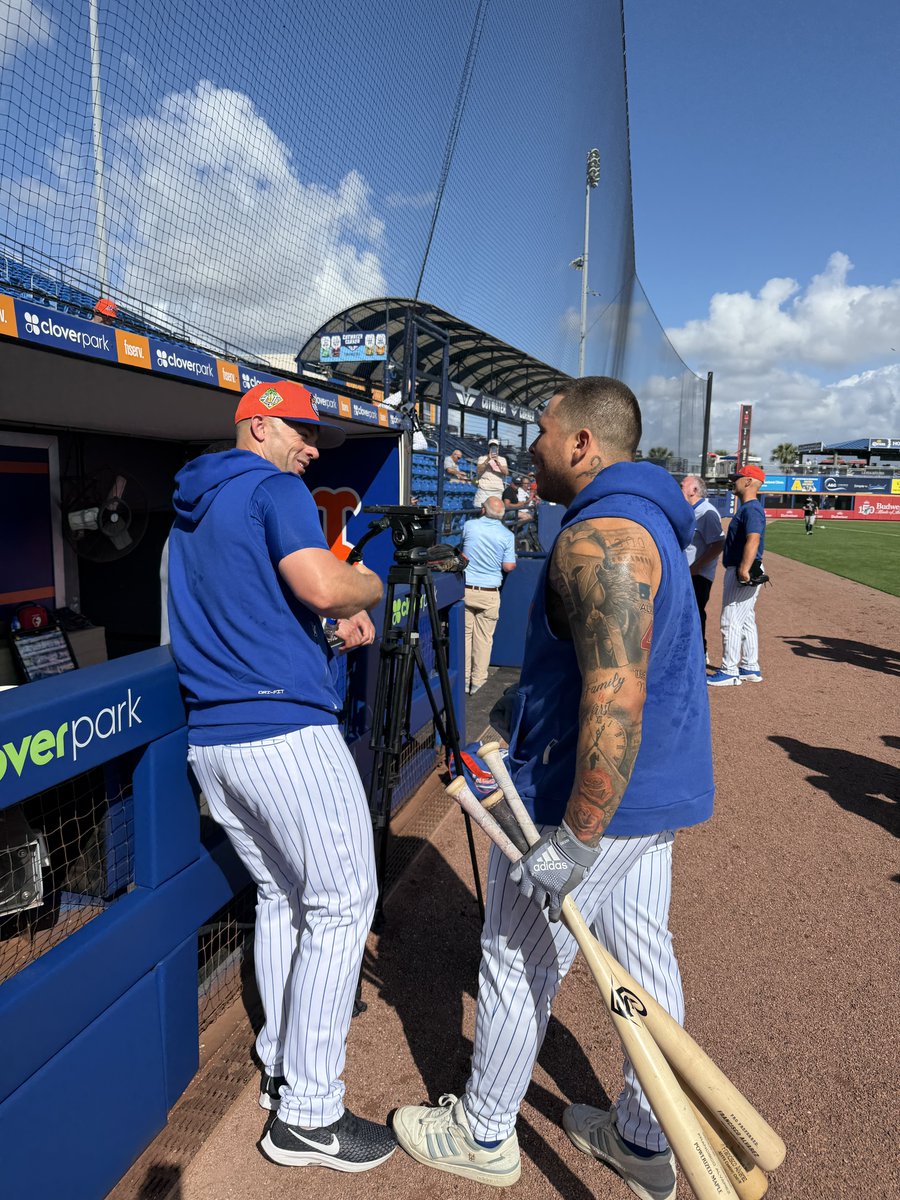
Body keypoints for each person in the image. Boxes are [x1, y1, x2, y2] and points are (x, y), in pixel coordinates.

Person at [392, 376, 713, 1200]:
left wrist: (575, 832)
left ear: (582, 444)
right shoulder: (647, 521)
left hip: (591, 802)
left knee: (512, 953)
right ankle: (645, 1139)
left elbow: (615, 690)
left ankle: (484, 1132)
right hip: (652, 799)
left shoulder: (602, 530)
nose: (531, 444)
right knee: (643, 960)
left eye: (541, 430)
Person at [166, 379, 396, 1172]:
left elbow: (251, 621)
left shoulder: (190, 507)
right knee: (342, 903)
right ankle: (308, 1116)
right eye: (299, 430)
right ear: (257, 425)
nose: (310, 447)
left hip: (216, 742)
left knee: (281, 897)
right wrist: (367, 587)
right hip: (285, 737)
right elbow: (324, 587)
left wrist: (324, 638)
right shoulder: (271, 487)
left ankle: (281, 1063)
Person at [708, 464, 767, 687]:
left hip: (744, 568)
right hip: (749, 567)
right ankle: (750, 666)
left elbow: (753, 538)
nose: (734, 481)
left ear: (749, 482)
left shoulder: (751, 509)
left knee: (731, 620)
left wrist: (743, 568)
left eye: (738, 477)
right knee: (746, 620)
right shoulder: (749, 508)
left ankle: (729, 670)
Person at [459, 495, 516, 694]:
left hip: (466, 590)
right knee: (483, 640)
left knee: (465, 638)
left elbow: (462, 552)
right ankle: (478, 683)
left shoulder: (470, 526)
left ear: (483, 510)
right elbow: (508, 566)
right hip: (489, 592)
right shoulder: (507, 535)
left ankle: (463, 681)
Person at [680, 474, 725, 664]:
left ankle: (701, 654)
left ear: (694, 490)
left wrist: (697, 567)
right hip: (687, 573)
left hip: (698, 575)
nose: (679, 487)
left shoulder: (707, 512)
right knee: (684, 614)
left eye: (682, 485)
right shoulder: (688, 510)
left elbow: (718, 544)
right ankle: (687, 653)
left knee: (695, 614)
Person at [473, 437, 509, 507]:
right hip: (484, 490)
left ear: (498, 448)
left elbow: (506, 472)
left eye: (495, 446)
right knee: (480, 510)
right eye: (491, 446)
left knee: (495, 513)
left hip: (497, 490)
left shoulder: (502, 459)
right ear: (489, 448)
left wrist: (497, 462)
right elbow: (478, 471)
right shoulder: (482, 458)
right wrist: (487, 460)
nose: (493, 448)